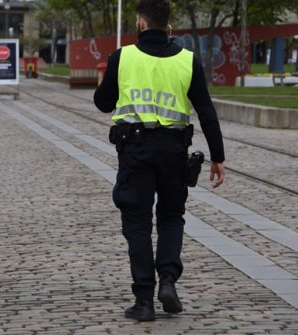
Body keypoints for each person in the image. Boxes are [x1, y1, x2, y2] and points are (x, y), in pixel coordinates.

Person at [93, 0, 226, 322]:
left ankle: (144, 300)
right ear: (168, 24)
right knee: (171, 216)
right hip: (174, 151)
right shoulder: (187, 61)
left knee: (137, 223)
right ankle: (168, 279)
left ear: (140, 23)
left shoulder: (122, 57)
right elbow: (206, 111)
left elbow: (102, 103)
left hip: (135, 151)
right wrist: (217, 158)